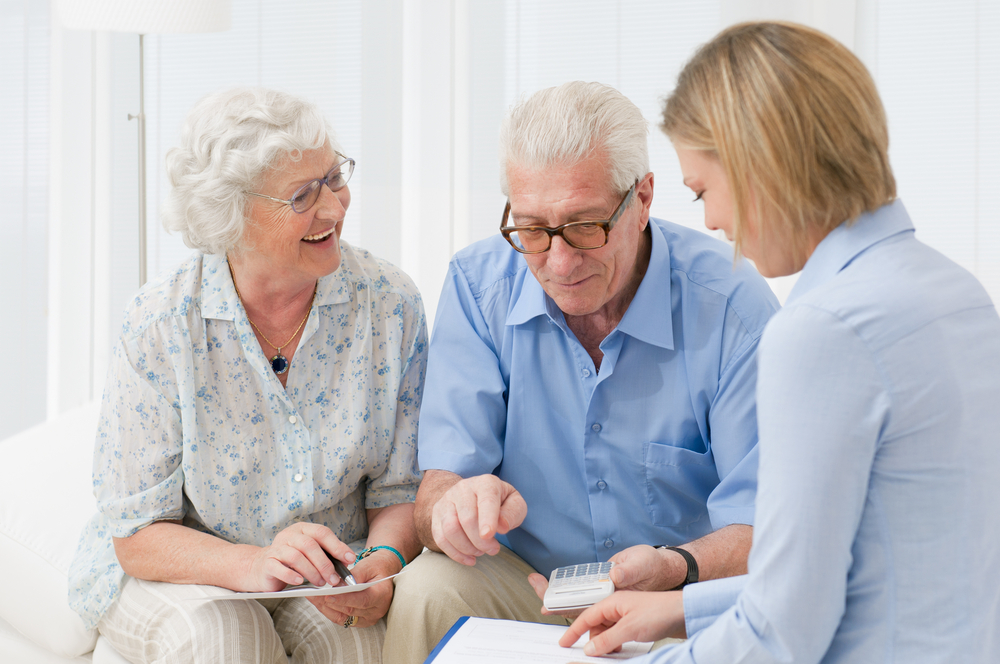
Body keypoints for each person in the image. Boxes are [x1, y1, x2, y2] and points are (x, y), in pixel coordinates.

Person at [560, 21, 1000, 663]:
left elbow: (782, 632)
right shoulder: (955, 291)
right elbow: (856, 570)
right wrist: (682, 609)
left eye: (704, 191)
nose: (713, 222)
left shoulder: (824, 329)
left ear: (759, 163)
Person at [384, 81, 780, 664]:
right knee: (427, 588)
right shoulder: (478, 285)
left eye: (586, 226)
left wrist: (676, 567)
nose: (560, 262)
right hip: (529, 588)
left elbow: (766, 526)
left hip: (678, 597)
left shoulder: (732, 306)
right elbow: (438, 490)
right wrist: (457, 509)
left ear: (642, 199)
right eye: (532, 230)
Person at [68, 87, 427, 664]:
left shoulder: (389, 304)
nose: (334, 208)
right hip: (183, 566)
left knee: (359, 648)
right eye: (303, 195)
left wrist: (380, 564)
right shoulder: (161, 323)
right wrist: (254, 564)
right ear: (229, 215)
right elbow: (138, 533)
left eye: (334, 178)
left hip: (327, 569)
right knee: (229, 643)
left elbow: (399, 490)